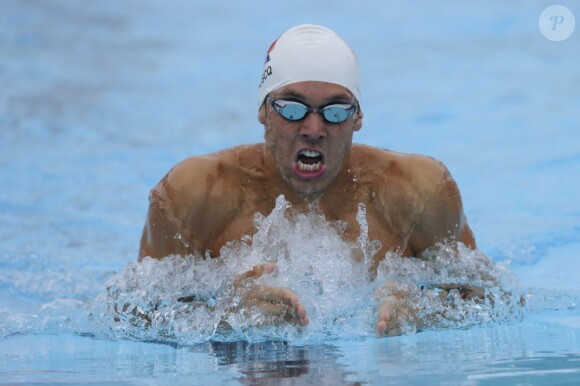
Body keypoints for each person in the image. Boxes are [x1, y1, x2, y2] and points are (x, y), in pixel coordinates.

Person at [137, 24, 477, 336]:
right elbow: (130, 313)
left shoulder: (418, 193)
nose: (314, 130)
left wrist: (424, 313)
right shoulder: (194, 194)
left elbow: (491, 299)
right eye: (293, 108)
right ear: (263, 110)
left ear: (357, 117)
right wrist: (226, 316)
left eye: (335, 111)